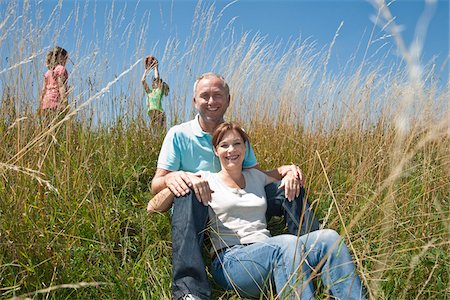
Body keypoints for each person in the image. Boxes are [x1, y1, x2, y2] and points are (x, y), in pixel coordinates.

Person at [151, 73, 319, 300]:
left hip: (234, 200)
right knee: (188, 192)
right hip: (198, 207)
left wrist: (286, 171)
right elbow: (156, 184)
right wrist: (177, 177)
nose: (211, 102)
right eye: (205, 96)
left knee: (287, 188)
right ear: (194, 101)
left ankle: (313, 259)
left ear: (228, 100)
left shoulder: (233, 136)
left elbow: (256, 177)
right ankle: (189, 291)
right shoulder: (178, 135)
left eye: (217, 96)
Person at [191, 122, 365, 299]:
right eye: (224, 145)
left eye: (237, 143)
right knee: (287, 243)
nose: (231, 150)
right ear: (215, 150)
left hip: (272, 254)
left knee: (329, 238)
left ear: (245, 148)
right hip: (231, 261)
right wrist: (180, 178)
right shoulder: (206, 179)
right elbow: (167, 194)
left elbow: (280, 172)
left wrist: (290, 172)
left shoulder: (255, 176)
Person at [39, 46, 69, 121]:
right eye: (66, 58)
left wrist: (41, 103)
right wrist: (64, 101)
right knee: (56, 125)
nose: (66, 61)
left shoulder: (48, 72)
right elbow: (61, 86)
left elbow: (43, 90)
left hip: (46, 102)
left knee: (48, 126)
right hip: (55, 102)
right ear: (61, 57)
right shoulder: (61, 69)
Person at [141, 56, 170, 128]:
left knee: (160, 132)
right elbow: (143, 81)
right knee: (153, 133)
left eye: (157, 82)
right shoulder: (149, 92)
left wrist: (156, 68)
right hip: (152, 115)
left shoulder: (159, 91)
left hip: (160, 114)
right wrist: (146, 70)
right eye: (154, 82)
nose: (155, 82)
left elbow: (157, 78)